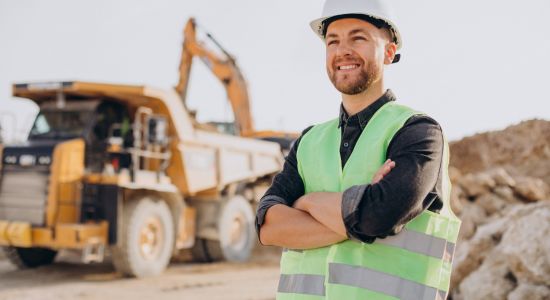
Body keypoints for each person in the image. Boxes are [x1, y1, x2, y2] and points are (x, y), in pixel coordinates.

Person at [255, 0, 461, 299]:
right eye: (333, 41)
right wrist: (357, 212)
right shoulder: (309, 141)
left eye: (358, 38)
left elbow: (379, 216)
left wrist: (306, 202)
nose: (343, 51)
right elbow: (268, 228)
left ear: (389, 52)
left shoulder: (418, 132)